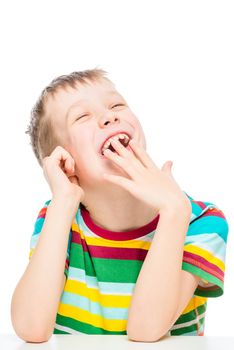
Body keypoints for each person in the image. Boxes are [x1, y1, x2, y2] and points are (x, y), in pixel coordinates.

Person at [11, 68, 229, 343]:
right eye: (82, 116)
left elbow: (146, 330)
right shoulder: (58, 218)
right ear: (63, 161)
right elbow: (31, 328)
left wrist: (174, 212)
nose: (109, 116)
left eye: (116, 105)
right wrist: (63, 199)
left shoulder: (200, 221)